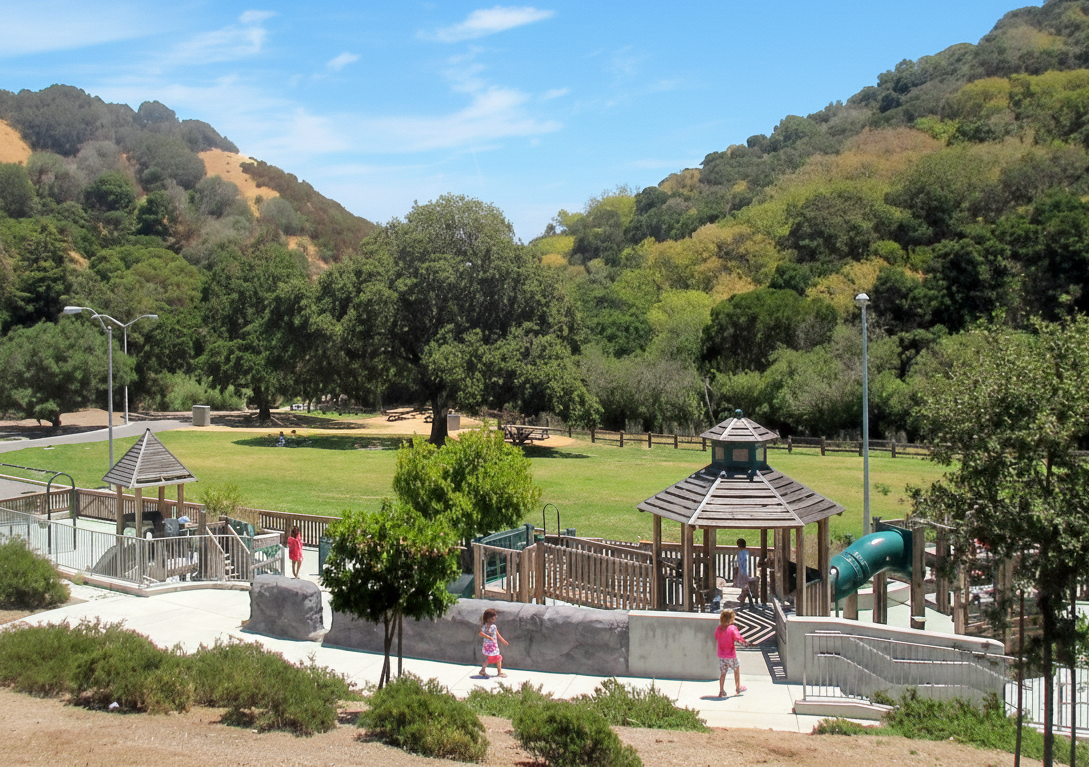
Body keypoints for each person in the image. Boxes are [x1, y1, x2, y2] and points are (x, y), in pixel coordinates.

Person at [714, 608, 750, 698]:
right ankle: (738, 687)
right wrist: (744, 642)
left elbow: (716, 636)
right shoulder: (732, 628)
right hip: (730, 655)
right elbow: (738, 637)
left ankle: (721, 691)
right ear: (730, 619)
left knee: (723, 673)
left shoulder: (719, 628)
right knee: (736, 669)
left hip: (721, 656)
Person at [478, 607, 509, 677]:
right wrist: (489, 637)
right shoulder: (489, 626)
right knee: (497, 657)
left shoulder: (489, 626)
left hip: (491, 645)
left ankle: (486, 670)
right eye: (493, 616)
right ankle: (498, 672)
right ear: (489, 617)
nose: (495, 617)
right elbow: (481, 633)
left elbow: (497, 634)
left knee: (495, 658)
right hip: (491, 646)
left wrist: (503, 641)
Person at [734, 538, 757, 609]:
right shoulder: (747, 552)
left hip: (743, 572)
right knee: (745, 587)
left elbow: (740, 564)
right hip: (747, 572)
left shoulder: (740, 553)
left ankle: (743, 601)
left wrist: (740, 572)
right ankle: (745, 602)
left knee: (745, 587)